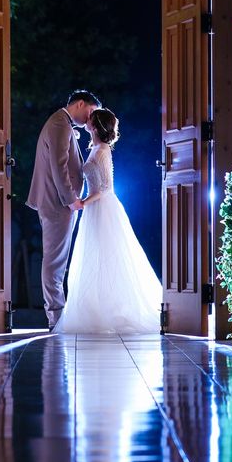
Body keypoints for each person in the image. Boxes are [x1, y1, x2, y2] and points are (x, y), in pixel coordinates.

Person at [54, 108, 161, 334]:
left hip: (102, 208)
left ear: (95, 126)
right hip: (93, 209)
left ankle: (113, 311)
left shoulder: (102, 151)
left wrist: (84, 201)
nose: (87, 119)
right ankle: (94, 310)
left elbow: (105, 187)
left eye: (91, 118)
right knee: (93, 257)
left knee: (107, 256)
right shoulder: (94, 148)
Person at [26, 90, 102, 331]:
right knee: (55, 262)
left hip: (55, 202)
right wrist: (71, 200)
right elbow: (59, 167)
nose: (91, 118)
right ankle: (56, 319)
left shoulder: (61, 123)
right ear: (80, 104)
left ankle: (57, 316)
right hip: (57, 203)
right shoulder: (60, 123)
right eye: (91, 111)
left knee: (56, 260)